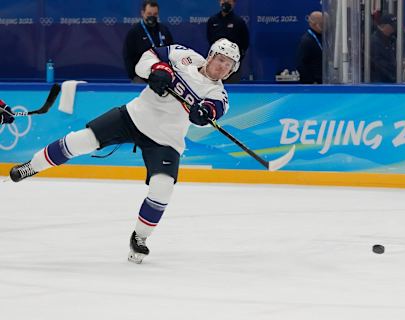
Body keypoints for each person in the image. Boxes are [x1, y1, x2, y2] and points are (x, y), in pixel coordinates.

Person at [9, 38, 241, 264]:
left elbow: (213, 110)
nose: (222, 66)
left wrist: (203, 114)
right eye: (220, 59)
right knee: (81, 140)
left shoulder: (218, 95)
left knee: (163, 187)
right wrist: (157, 69)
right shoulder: (183, 55)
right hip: (133, 116)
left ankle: (139, 237)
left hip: (166, 140)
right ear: (210, 55)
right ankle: (32, 166)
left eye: (228, 65)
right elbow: (145, 60)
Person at [123, 0, 174, 83]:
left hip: (162, 76)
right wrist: (133, 76)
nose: (152, 16)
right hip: (141, 77)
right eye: (149, 14)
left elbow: (172, 51)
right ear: (143, 13)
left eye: (155, 14)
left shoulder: (164, 30)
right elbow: (128, 56)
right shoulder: (134, 32)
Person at [207, 0, 249, 83]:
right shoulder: (213, 20)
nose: (226, 3)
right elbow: (210, 38)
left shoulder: (239, 22)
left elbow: (245, 42)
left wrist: (236, 58)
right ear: (219, 2)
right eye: (223, 0)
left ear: (233, 3)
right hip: (215, 59)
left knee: (232, 86)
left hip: (232, 61)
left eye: (229, 1)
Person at [296, 11, 324, 84]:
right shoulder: (307, 40)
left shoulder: (322, 37)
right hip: (314, 84)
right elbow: (301, 64)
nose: (325, 26)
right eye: (322, 23)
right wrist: (311, 82)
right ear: (315, 24)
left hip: (322, 81)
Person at [370, 14, 398, 83]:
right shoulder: (375, 41)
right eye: (392, 25)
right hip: (380, 82)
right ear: (383, 26)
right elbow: (377, 63)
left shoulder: (390, 39)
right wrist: (395, 67)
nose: (394, 27)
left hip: (388, 80)